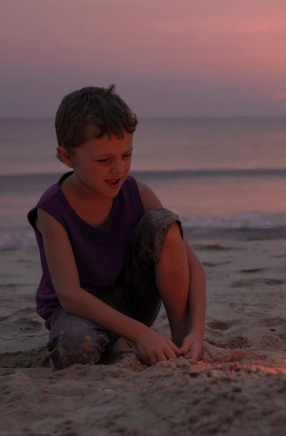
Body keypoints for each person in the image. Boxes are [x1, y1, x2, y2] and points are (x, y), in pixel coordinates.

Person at [28, 85, 208, 370]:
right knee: (75, 351)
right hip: (82, 311)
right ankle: (118, 339)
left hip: (134, 301)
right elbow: (70, 295)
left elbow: (193, 266)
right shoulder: (52, 210)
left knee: (163, 222)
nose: (118, 169)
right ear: (67, 157)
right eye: (103, 160)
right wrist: (142, 334)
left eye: (126, 155)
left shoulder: (138, 193)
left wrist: (196, 332)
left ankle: (180, 338)